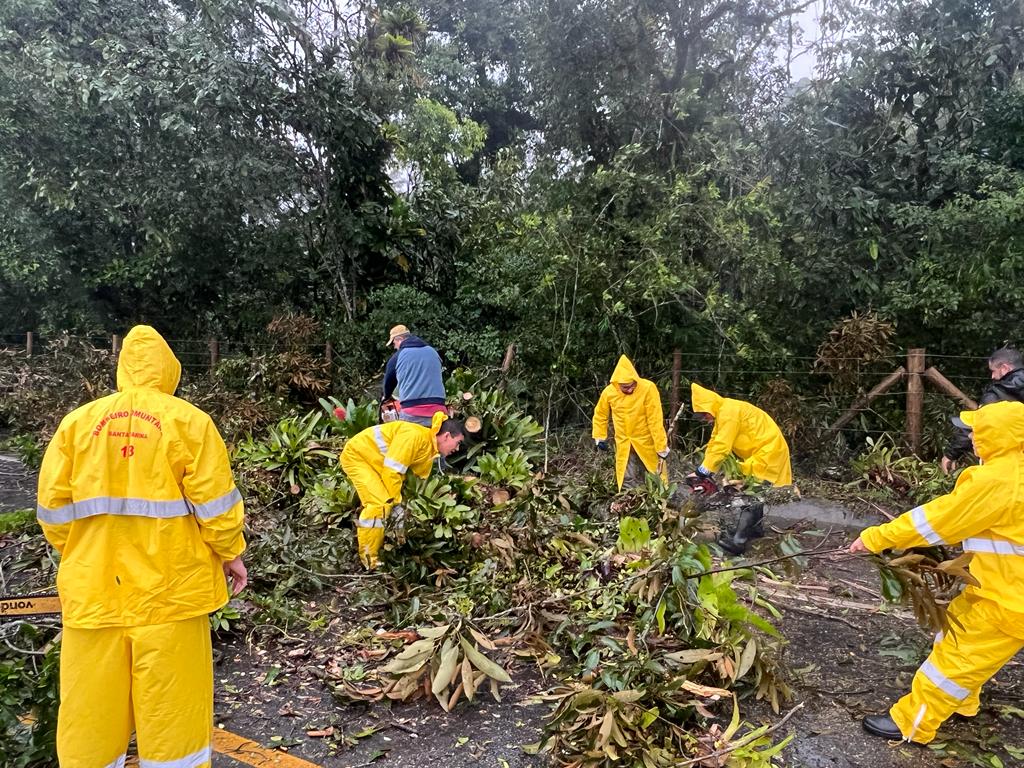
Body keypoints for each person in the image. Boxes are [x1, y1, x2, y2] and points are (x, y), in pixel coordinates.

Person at [36, 325, 247, 768]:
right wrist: (231, 554)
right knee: (173, 717)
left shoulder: (77, 424)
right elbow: (215, 504)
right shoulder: (189, 422)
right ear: (170, 370)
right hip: (171, 596)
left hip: (95, 595)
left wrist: (85, 556)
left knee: (90, 714)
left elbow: (52, 510)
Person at [851, 401, 1024, 745]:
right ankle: (962, 702)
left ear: (1000, 435)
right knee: (956, 634)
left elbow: (936, 521)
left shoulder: (998, 481)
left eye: (979, 429)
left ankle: (912, 724)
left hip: (1010, 601)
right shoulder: (1013, 471)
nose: (972, 436)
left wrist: (875, 538)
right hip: (997, 587)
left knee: (954, 662)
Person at [341, 413, 466, 568]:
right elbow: (392, 472)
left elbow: (412, 483)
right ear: (447, 436)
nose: (458, 448)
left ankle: (380, 550)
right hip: (358, 457)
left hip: (375, 463)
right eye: (458, 442)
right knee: (379, 504)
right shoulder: (414, 436)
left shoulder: (429, 451)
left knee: (386, 504)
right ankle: (370, 561)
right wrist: (397, 503)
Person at [689, 382, 792, 554]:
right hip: (763, 452)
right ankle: (755, 530)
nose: (705, 419)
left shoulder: (729, 413)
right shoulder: (724, 412)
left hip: (767, 452)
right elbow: (714, 443)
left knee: (750, 495)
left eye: (704, 415)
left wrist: (703, 472)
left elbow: (722, 446)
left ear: (709, 408)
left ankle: (738, 542)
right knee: (756, 493)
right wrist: (703, 468)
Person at [591, 355, 670, 491]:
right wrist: (599, 437)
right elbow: (600, 414)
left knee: (656, 476)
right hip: (624, 443)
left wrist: (661, 446)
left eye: (632, 386)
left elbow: (655, 419)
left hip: (647, 442)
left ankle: (662, 504)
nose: (629, 390)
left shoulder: (648, 388)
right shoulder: (609, 392)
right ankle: (631, 504)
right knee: (627, 478)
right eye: (625, 387)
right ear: (617, 384)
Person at [941, 347, 1024, 474]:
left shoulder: (997, 393)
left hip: (1005, 463)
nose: (992, 376)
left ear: (1005, 368)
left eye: (993, 371)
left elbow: (978, 424)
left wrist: (951, 454)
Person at [382, 324, 448, 427]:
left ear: (399, 339)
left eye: (393, 343)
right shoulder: (433, 351)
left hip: (413, 413)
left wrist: (386, 396)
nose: (394, 347)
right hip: (439, 411)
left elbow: (388, 383)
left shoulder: (398, 356)